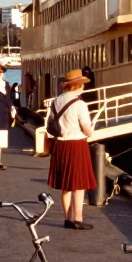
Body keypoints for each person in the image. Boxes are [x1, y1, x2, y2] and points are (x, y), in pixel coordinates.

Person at [47, 68, 96, 230]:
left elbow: (51, 124)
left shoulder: (56, 101)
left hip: (60, 145)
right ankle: (78, 219)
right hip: (76, 145)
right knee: (79, 184)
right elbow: (87, 129)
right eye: (82, 84)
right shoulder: (80, 104)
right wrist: (90, 130)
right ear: (78, 85)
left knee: (66, 186)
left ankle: (67, 219)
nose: (84, 87)